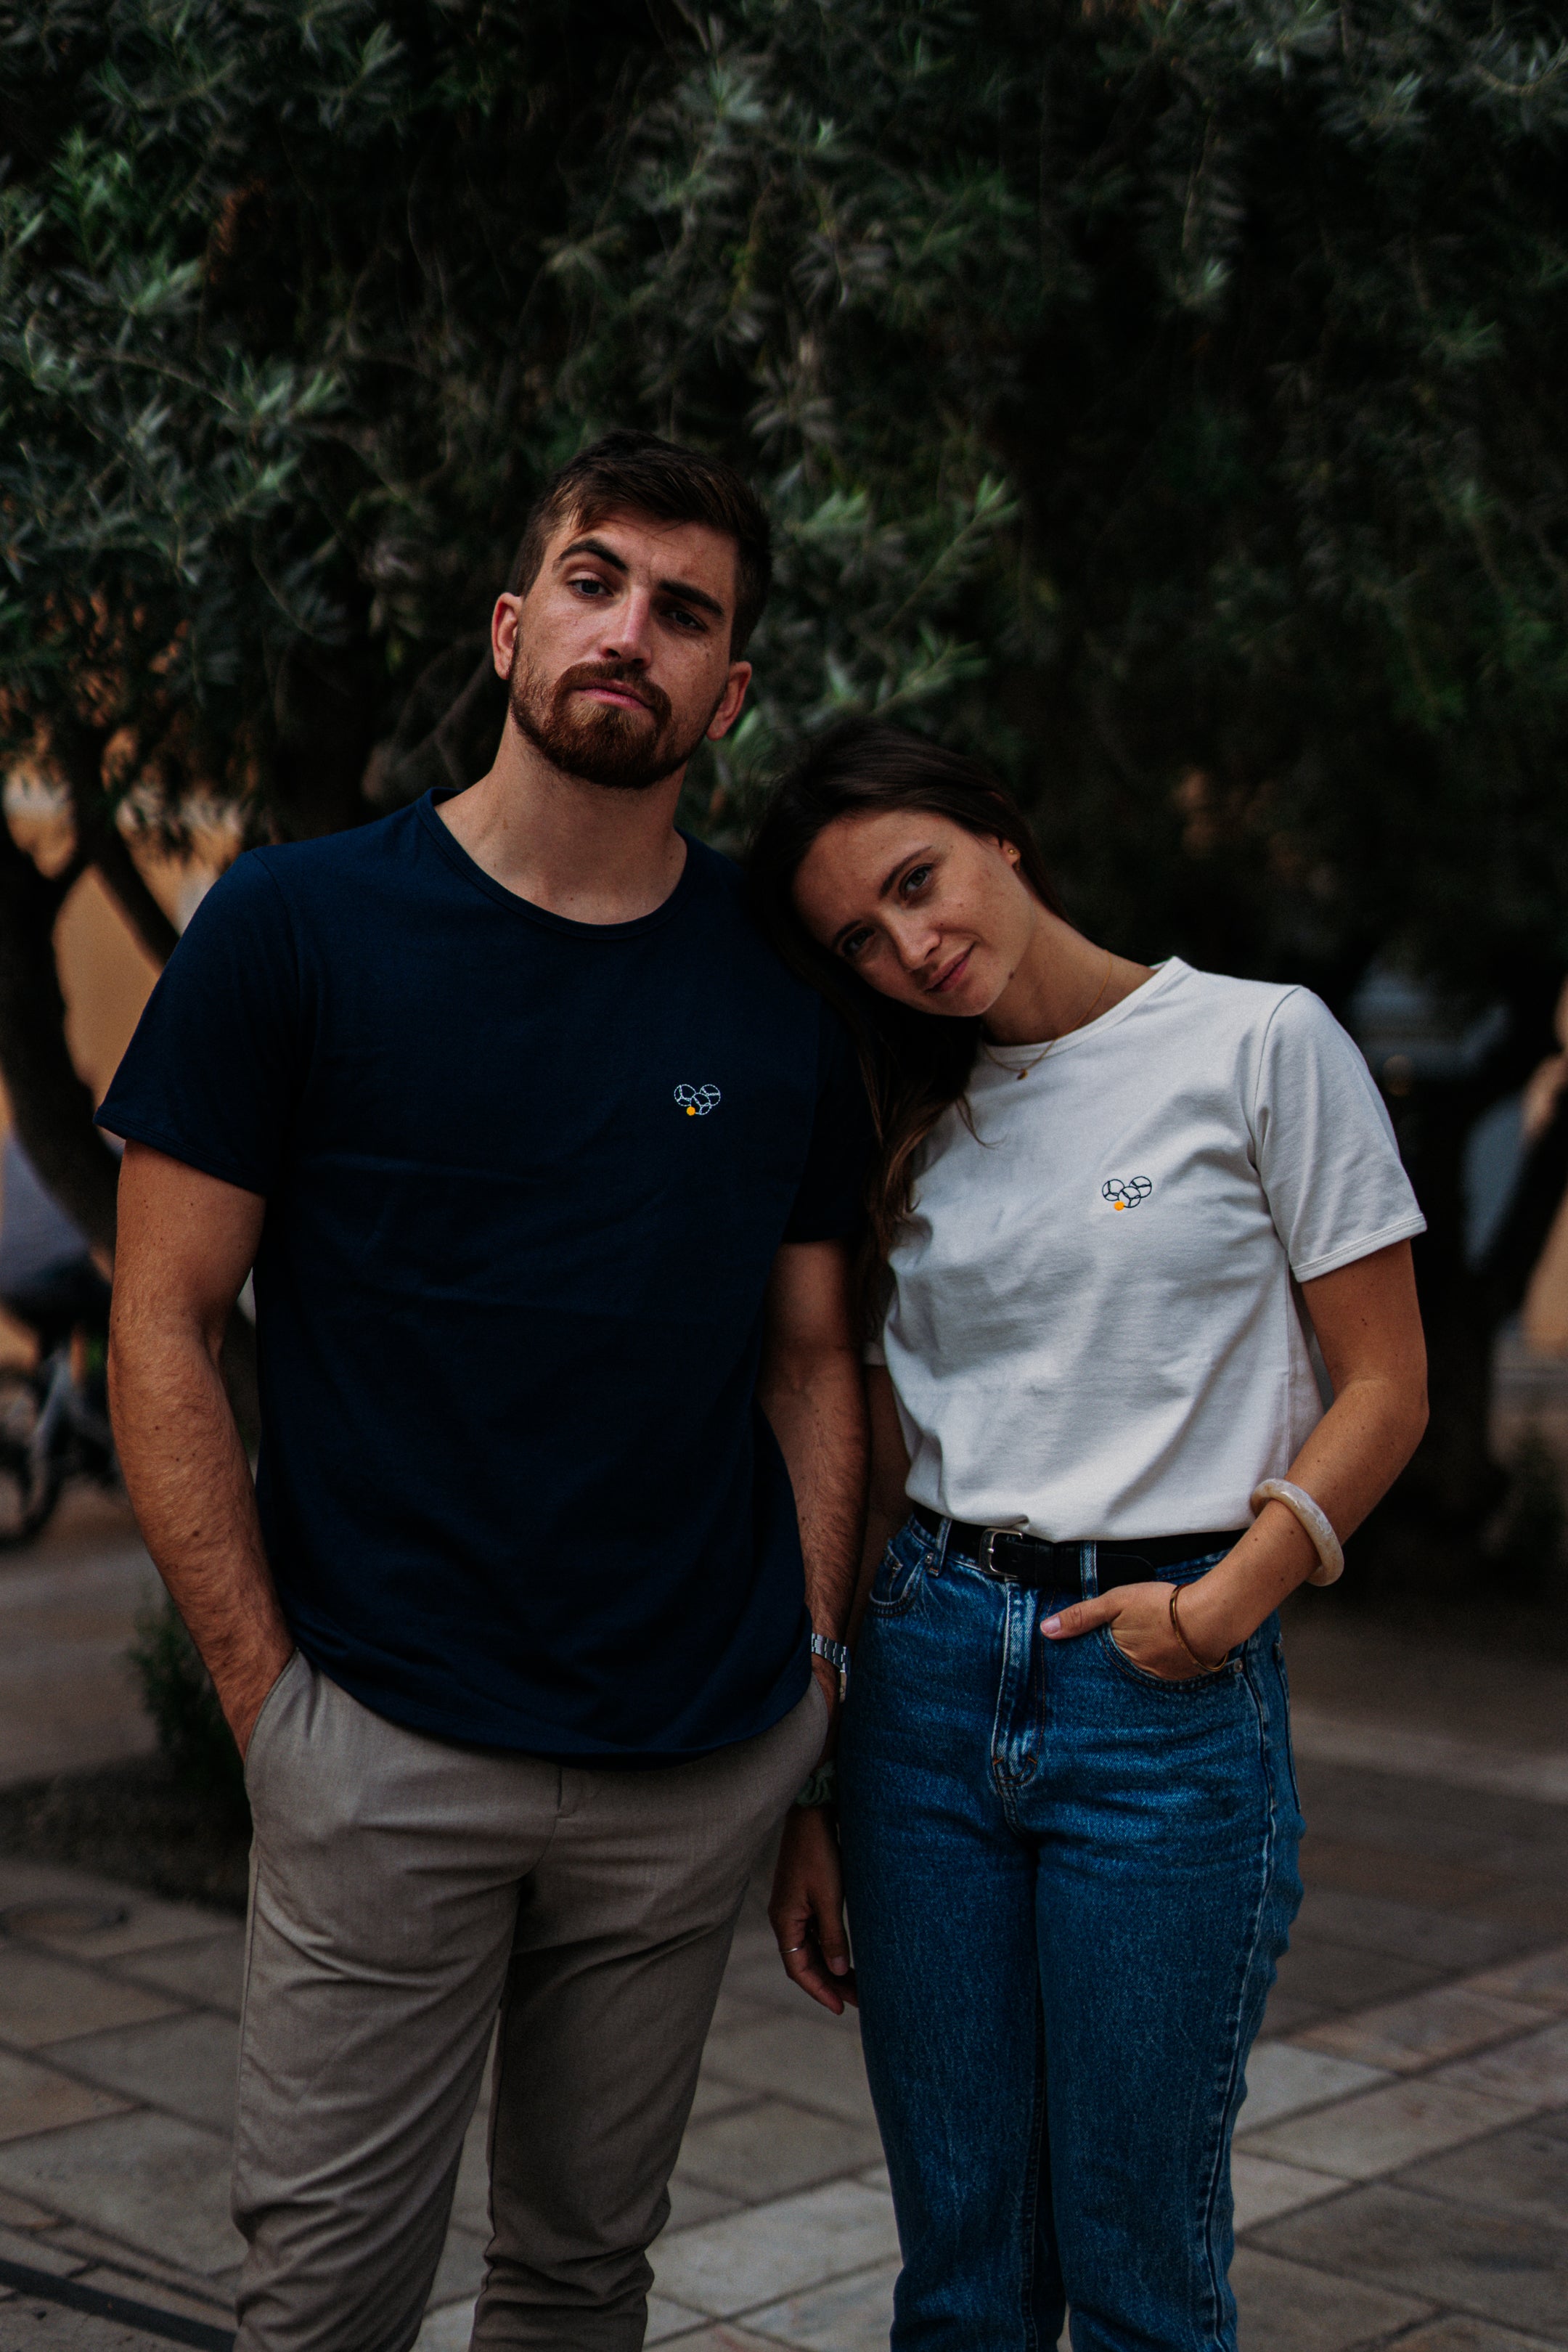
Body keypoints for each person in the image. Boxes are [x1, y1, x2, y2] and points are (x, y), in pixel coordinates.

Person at [101, 433, 868, 2352]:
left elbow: (807, 1358)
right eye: (598, 584)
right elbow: (163, 1322)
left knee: (578, 2286)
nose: (635, 634)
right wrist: (267, 1703)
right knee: (327, 2303)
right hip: (380, 1739)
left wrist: (815, 1684)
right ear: (515, 626)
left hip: (690, 1756)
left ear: (732, 693)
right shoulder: (293, 930)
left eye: (687, 614)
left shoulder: (779, 1002)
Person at [750, 721, 1430, 2352]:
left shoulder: (1260, 1045)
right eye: (860, 935)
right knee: (964, 2280)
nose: (911, 948)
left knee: (1139, 2275)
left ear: (1001, 832)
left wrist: (1218, 1610)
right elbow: (887, 1439)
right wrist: (818, 1786)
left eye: (917, 881)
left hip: (1160, 1700)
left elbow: (1391, 1387)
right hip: (920, 1682)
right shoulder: (912, 1115)